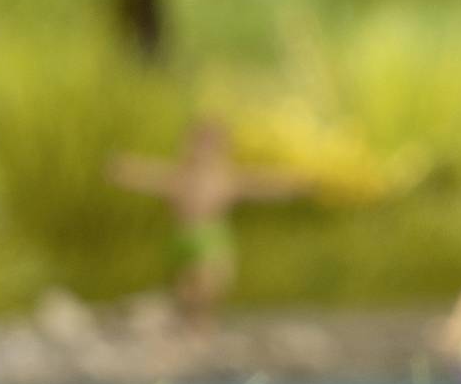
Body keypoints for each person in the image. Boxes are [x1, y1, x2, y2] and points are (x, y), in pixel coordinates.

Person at [106, 118, 310, 320]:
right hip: (182, 238)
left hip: (211, 237)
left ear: (222, 149)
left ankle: (201, 321)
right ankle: (191, 323)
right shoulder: (180, 175)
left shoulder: (225, 177)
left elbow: (261, 184)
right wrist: (123, 171)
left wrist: (292, 184)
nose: (201, 151)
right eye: (196, 144)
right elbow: (147, 176)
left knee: (208, 282)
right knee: (186, 292)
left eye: (209, 145)